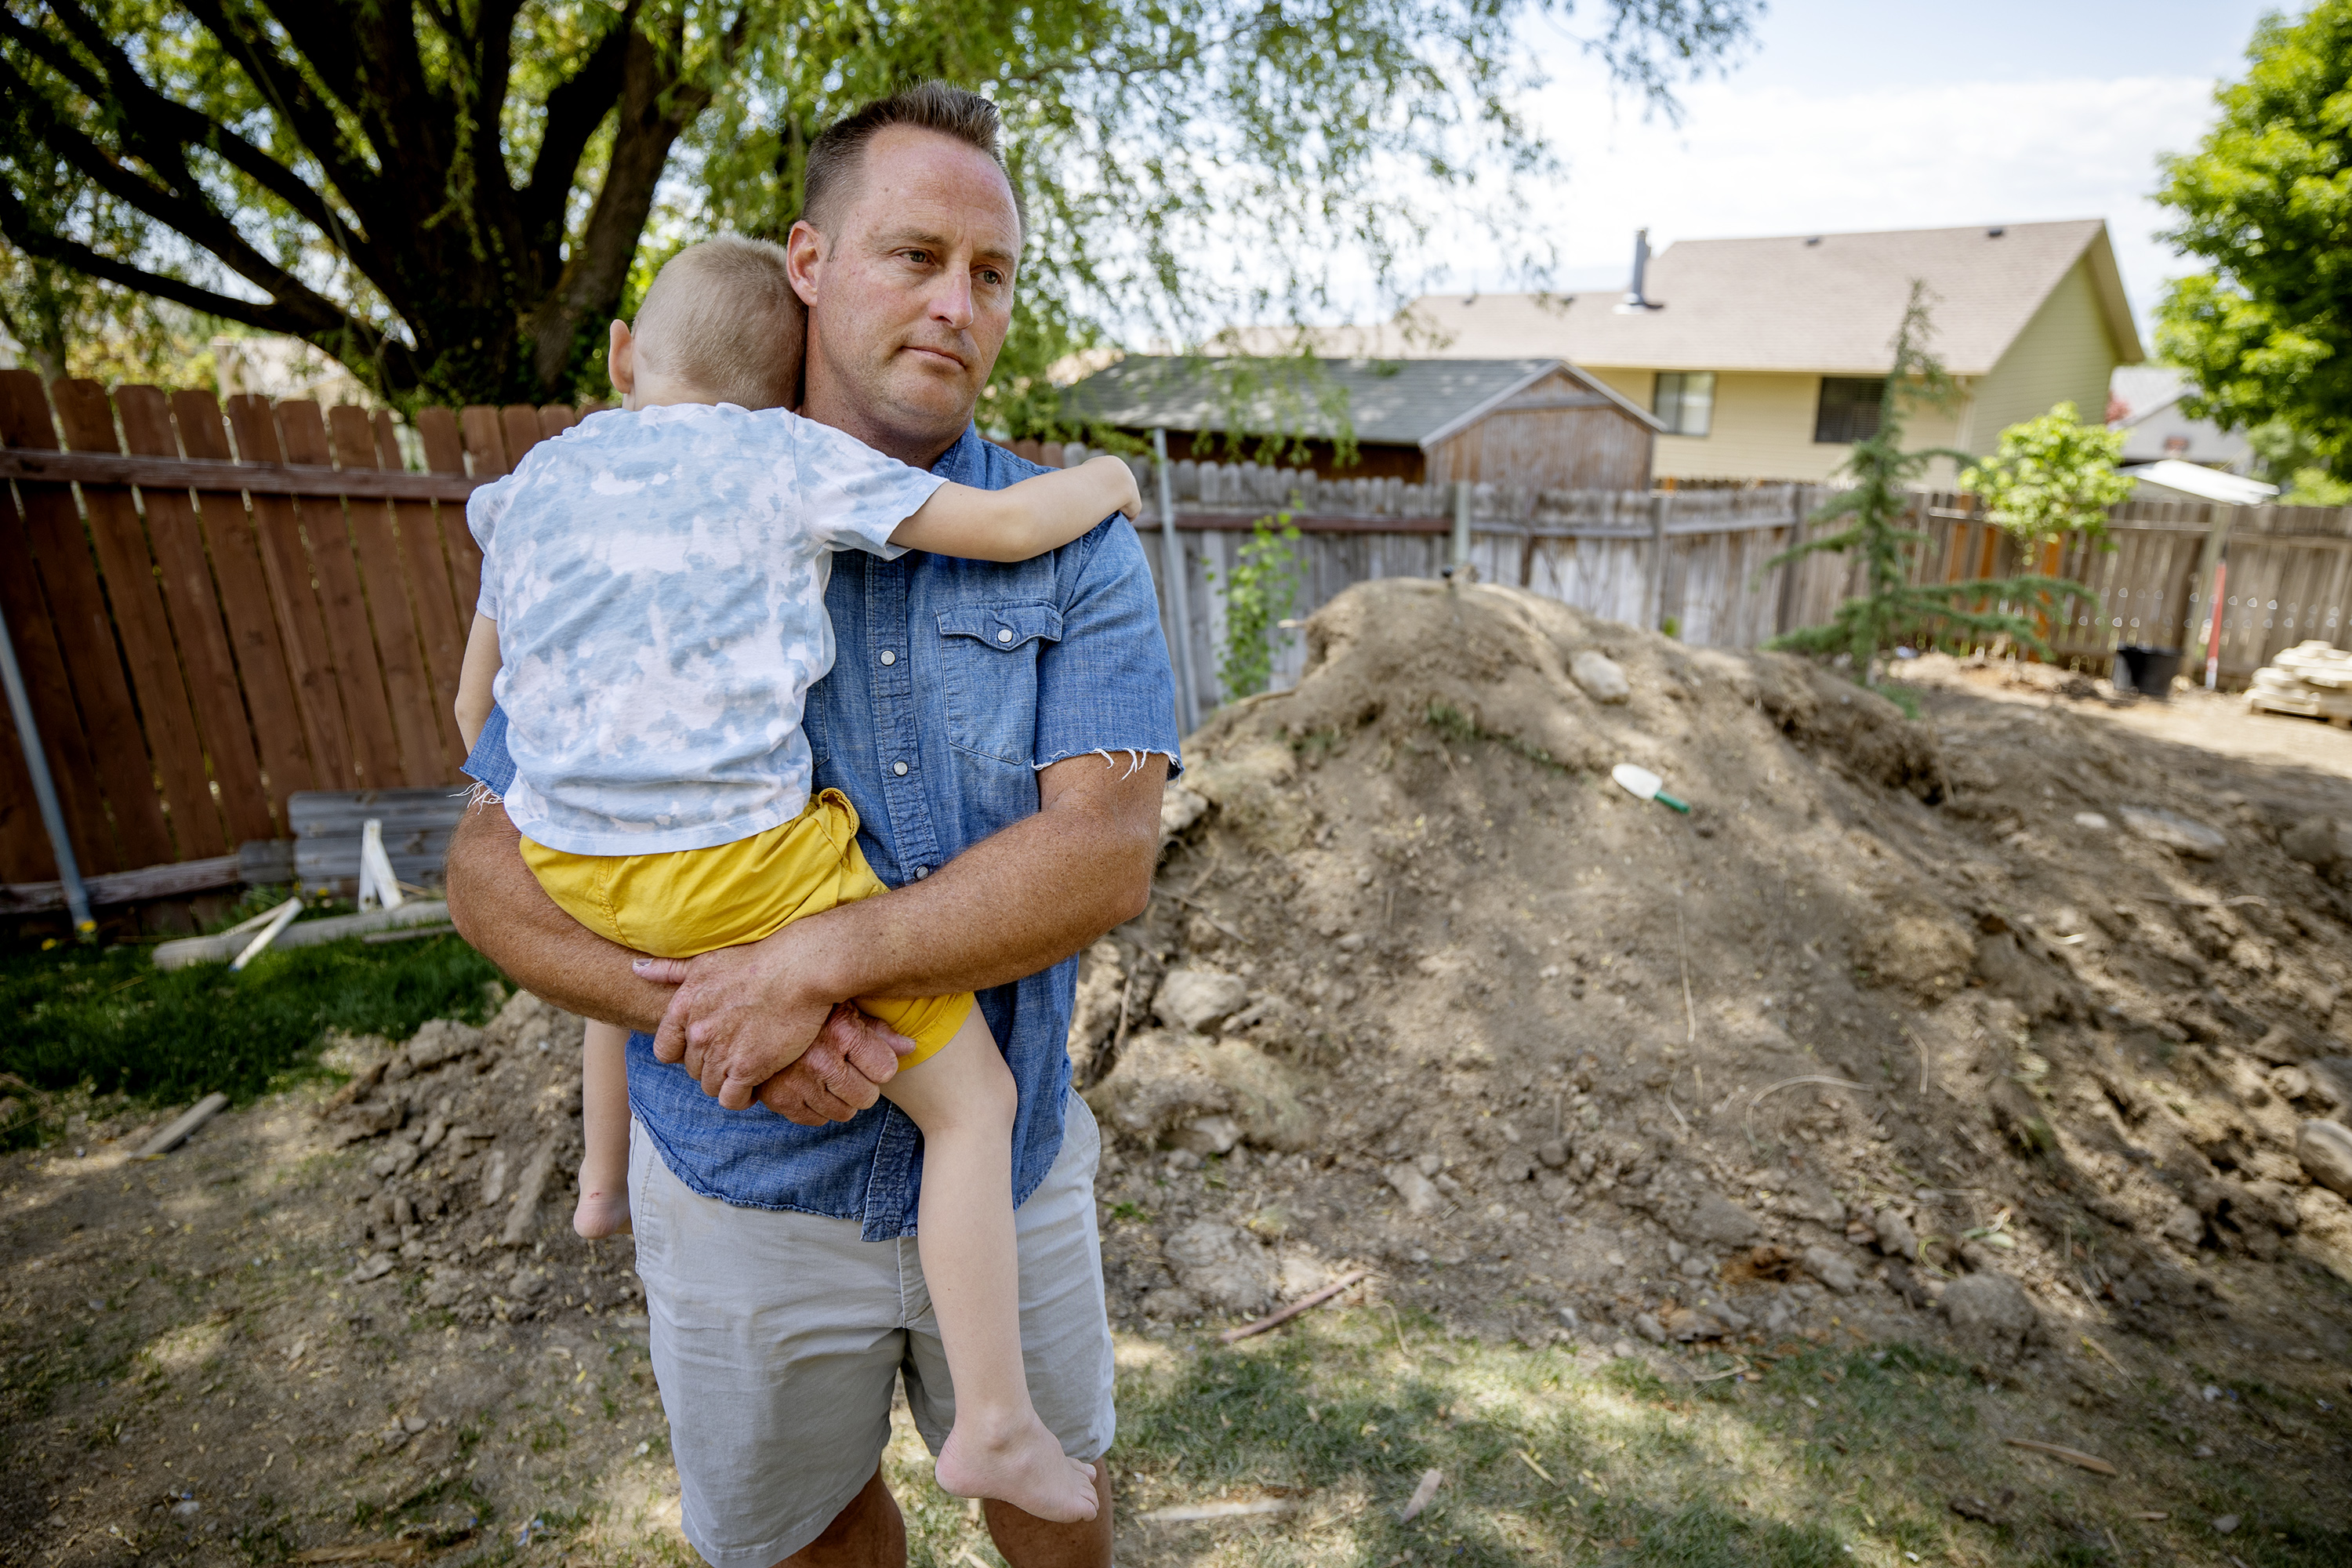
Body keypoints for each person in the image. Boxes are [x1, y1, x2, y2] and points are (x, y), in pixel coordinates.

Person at [443, 81, 1177, 1568]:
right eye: (915, 256)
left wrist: (808, 968)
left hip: (1011, 1163)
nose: (959, 305)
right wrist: (721, 1013)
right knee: (809, 1535)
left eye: (992, 274)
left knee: (1057, 1507)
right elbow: (488, 867)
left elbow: (1104, 856)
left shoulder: (1072, 545)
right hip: (743, 1186)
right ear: (809, 263)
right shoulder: (661, 524)